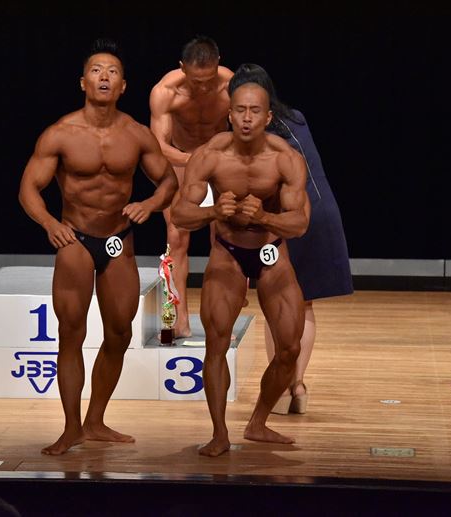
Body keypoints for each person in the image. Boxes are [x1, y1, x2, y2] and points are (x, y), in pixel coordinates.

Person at [18, 39, 178, 455]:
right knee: (71, 334)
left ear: (123, 86)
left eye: (112, 71)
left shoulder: (137, 134)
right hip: (75, 239)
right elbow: (28, 188)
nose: (104, 77)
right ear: (83, 82)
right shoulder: (60, 133)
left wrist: (150, 204)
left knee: (120, 332)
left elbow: (168, 181)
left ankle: (95, 421)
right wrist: (50, 223)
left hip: (118, 240)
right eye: (96, 70)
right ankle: (71, 427)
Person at [172, 82, 311, 456]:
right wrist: (213, 212)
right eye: (240, 110)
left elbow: (300, 223)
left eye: (255, 111)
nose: (247, 118)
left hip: (270, 251)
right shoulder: (210, 155)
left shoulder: (285, 158)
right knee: (216, 343)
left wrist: (265, 217)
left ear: (268, 117)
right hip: (227, 253)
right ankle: (219, 433)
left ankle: (258, 423)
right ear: (229, 115)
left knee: (290, 348)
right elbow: (180, 214)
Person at [227, 64, 353, 415]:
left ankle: (281, 389)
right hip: (323, 212)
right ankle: (296, 384)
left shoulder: (257, 134)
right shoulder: (296, 117)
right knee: (305, 303)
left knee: (276, 303)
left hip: (288, 217)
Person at [150, 35, 234, 338]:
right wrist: (194, 161)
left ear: (218, 64)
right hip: (181, 160)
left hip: (220, 160)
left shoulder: (230, 86)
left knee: (224, 239)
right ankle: (179, 319)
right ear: (182, 68)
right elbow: (158, 145)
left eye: (209, 80)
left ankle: (220, 319)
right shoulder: (165, 92)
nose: (203, 88)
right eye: (196, 81)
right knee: (177, 237)